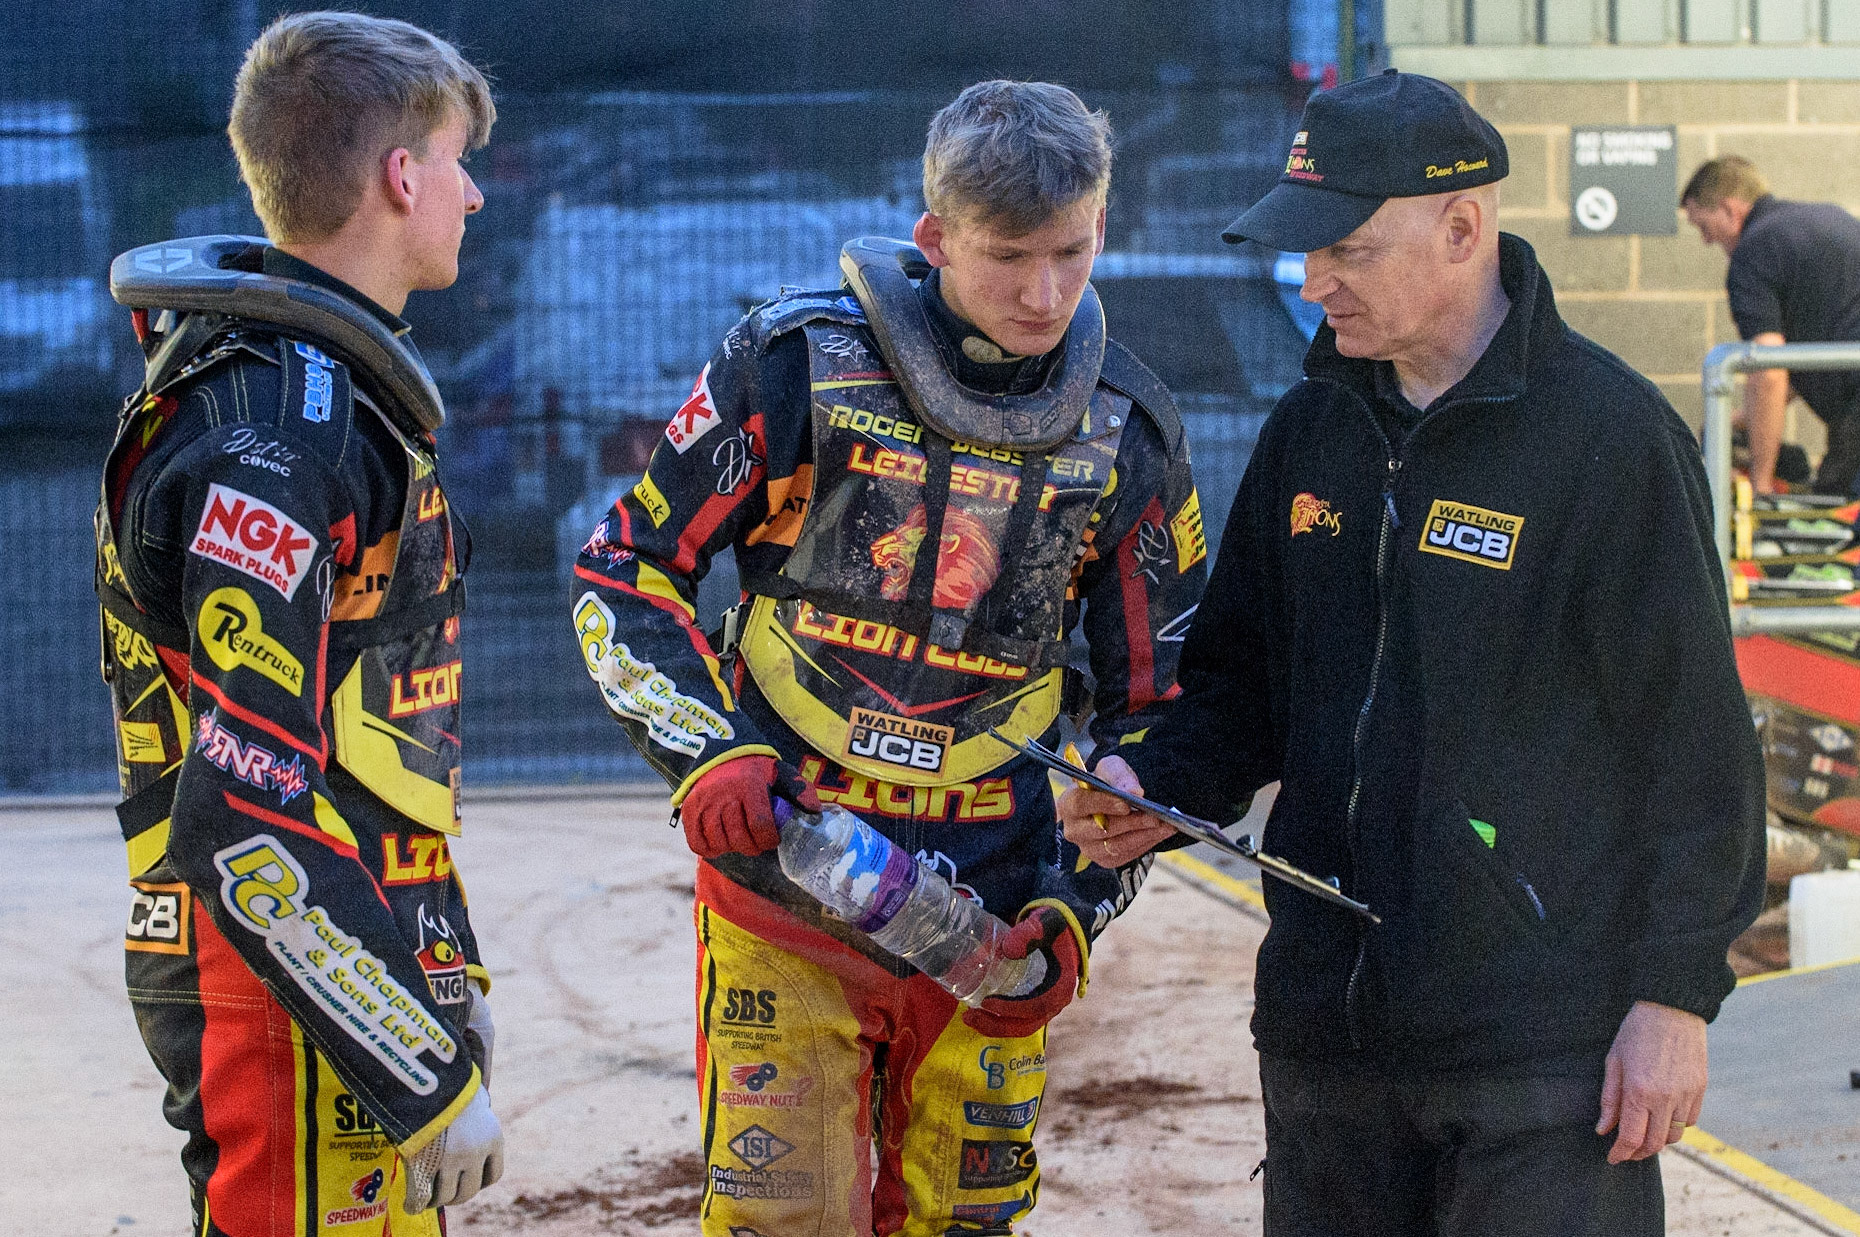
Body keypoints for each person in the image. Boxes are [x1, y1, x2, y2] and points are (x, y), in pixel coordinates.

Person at [1060, 70, 1765, 1236]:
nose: (1313, 280)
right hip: (1327, 1044)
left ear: (1462, 227)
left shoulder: (1612, 443)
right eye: (1304, 248)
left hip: (1543, 1051)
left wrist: (1673, 996)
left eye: (1346, 247)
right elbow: (1239, 681)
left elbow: (1696, 749)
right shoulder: (1311, 431)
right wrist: (1157, 782)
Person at [570, 80, 1204, 1236]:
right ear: (935, 237)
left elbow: (1161, 711)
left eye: (1071, 251)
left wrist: (1079, 905)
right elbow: (623, 568)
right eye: (1009, 254)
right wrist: (705, 755)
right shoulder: (793, 363)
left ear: (1103, 229)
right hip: (787, 891)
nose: (1044, 291)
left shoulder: (1130, 434)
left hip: (996, 917)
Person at [97, 13, 504, 1232]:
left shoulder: (321, 396)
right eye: (457, 158)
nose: (475, 194)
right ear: (399, 177)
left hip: (344, 957)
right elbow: (243, 819)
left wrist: (443, 962)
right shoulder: (269, 438)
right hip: (271, 991)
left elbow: (368, 745)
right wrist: (416, 1071)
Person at [1683, 155, 1860, 495]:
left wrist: (1761, 486)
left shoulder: (1753, 252)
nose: (1706, 241)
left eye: (1704, 226)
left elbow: (1768, 371)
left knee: (1837, 520)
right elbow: (1818, 355)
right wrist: (1740, 417)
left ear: (1731, 211)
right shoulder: (1830, 218)